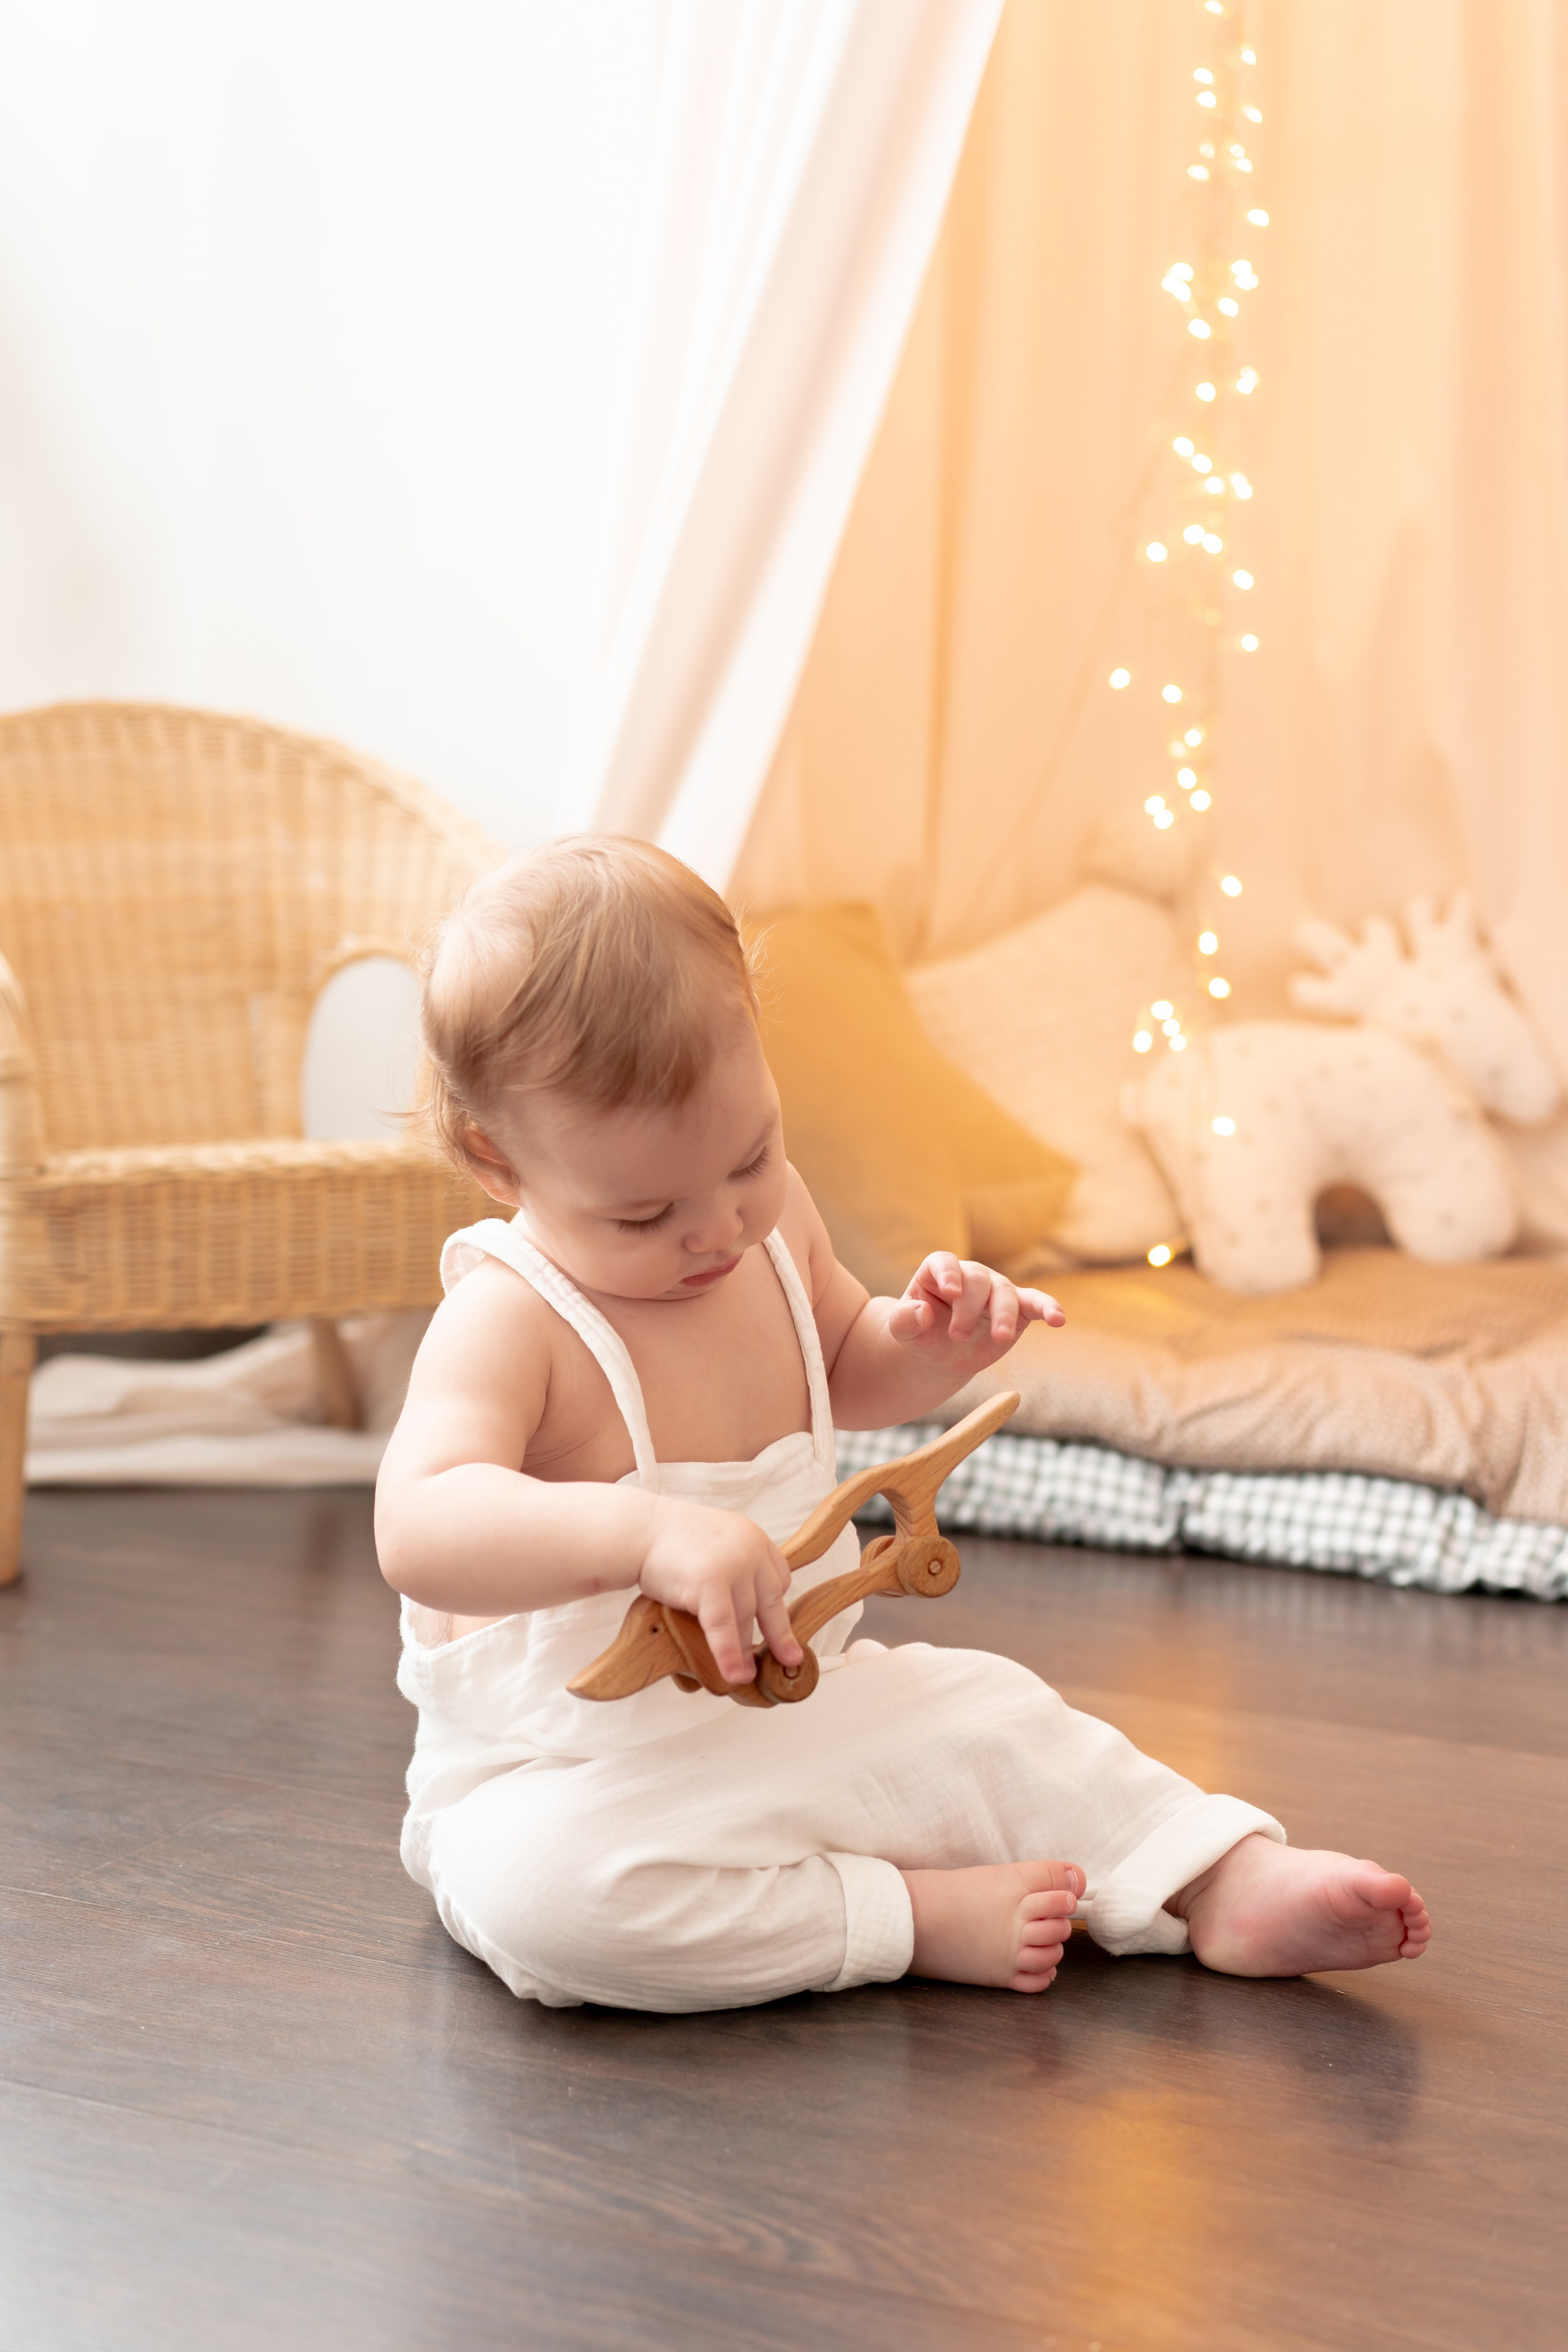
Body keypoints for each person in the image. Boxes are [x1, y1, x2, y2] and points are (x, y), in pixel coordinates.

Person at [375, 837, 1431, 2013]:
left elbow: (842, 1363)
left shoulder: (770, 1233)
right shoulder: (512, 1317)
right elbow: (421, 1523)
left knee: (996, 1718)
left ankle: (1220, 1879)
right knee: (546, 1900)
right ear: (495, 1160)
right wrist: (643, 1536)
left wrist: (926, 1348)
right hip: (574, 1779)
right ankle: (897, 1915)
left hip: (809, 1712)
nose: (718, 1231)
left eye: (750, 1159)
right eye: (644, 1214)